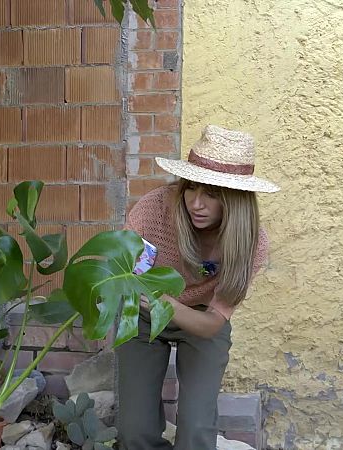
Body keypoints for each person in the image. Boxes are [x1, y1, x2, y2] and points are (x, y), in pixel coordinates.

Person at [115, 125, 280, 450]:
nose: (197, 203)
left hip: (201, 320)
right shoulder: (153, 212)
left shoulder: (251, 243)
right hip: (144, 314)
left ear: (236, 199)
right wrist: (152, 301)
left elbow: (212, 325)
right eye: (191, 188)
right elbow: (128, 279)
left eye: (213, 193)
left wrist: (166, 304)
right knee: (134, 430)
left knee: (196, 430)